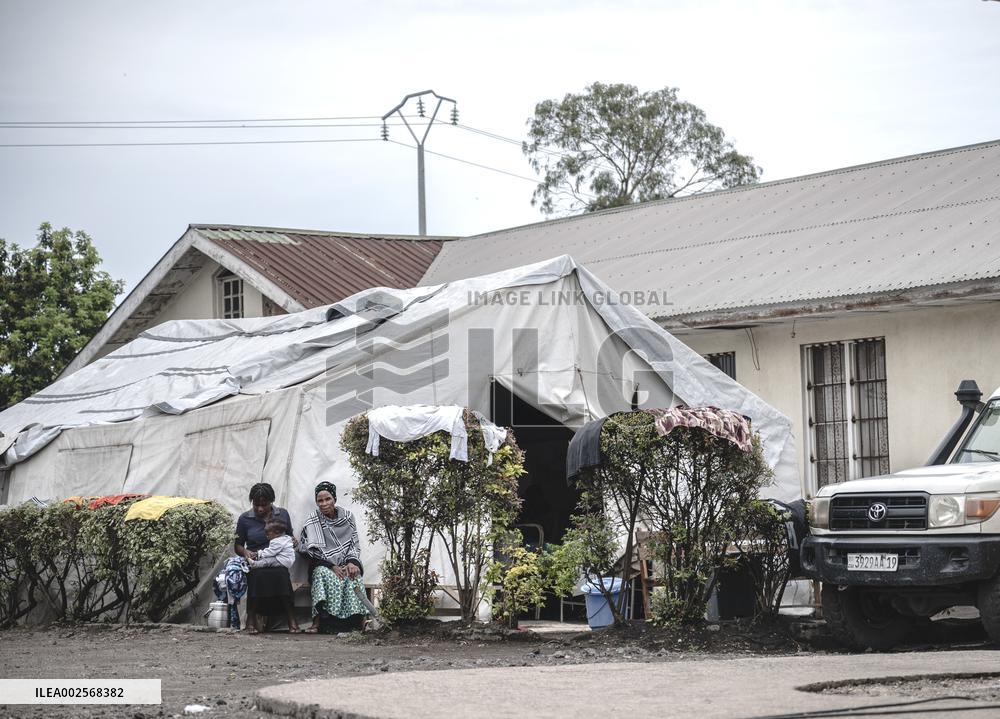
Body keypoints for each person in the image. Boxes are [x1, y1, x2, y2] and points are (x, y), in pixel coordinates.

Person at [298, 481, 368, 633]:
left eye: (327, 499)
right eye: (320, 500)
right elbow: (308, 550)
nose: (324, 504)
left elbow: (353, 544)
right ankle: (317, 622)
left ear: (334, 499)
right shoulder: (313, 520)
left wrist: (352, 562)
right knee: (321, 574)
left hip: (345, 562)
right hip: (322, 564)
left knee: (353, 575)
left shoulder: (348, 517)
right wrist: (331, 566)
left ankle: (362, 621)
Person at [234, 483, 301, 634]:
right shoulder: (245, 519)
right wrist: (246, 552)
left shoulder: (282, 514)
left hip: (277, 560)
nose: (260, 509)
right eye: (256, 504)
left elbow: (288, 536)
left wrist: (293, 541)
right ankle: (250, 620)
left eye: (264, 504)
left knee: (281, 574)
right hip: (257, 560)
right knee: (257, 575)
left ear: (272, 501)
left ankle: (292, 619)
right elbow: (237, 545)